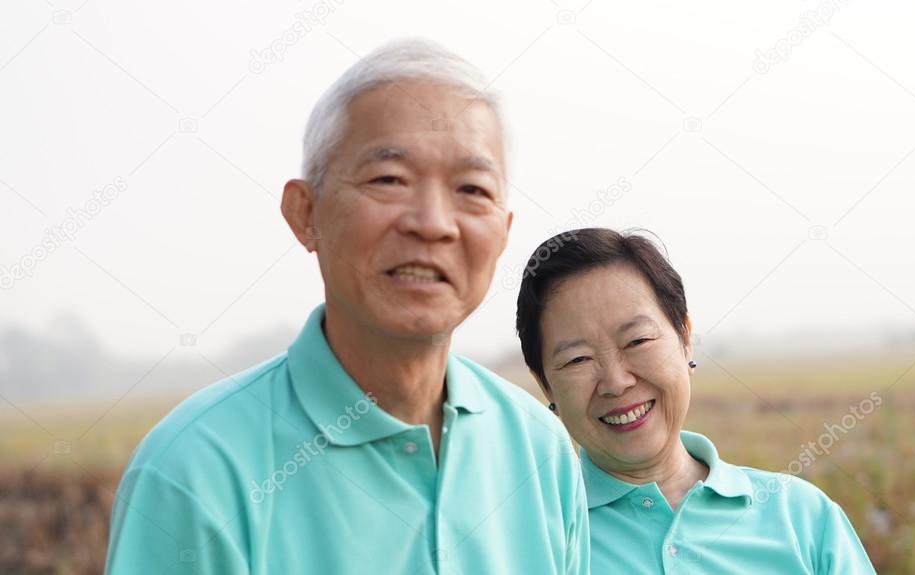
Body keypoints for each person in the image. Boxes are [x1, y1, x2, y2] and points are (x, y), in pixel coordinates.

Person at [105, 39, 588, 574]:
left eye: (471, 189)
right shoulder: (195, 470)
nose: (431, 223)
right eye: (388, 180)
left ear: (502, 233)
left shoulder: (538, 448)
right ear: (304, 213)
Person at [516, 227, 875, 574]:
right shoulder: (534, 542)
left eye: (637, 341)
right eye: (578, 359)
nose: (616, 382)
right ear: (545, 386)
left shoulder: (804, 518)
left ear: (685, 339)